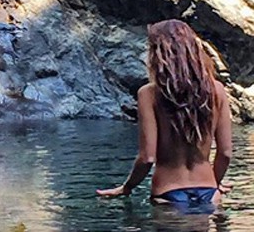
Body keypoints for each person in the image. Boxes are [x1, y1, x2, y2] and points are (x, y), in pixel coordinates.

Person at [96, 19, 233, 211]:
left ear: (158, 54)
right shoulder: (216, 90)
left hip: (168, 194)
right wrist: (215, 184)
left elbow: (147, 158)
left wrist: (127, 187)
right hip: (208, 193)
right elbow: (225, 153)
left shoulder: (149, 94)